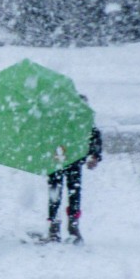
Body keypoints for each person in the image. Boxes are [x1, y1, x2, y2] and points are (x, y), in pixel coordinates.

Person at [46, 95, 103, 245]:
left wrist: (94, 155)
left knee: (72, 193)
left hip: (73, 161)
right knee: (56, 193)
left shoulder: (86, 123)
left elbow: (95, 138)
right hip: (57, 161)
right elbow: (48, 138)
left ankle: (72, 225)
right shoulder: (58, 120)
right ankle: (55, 225)